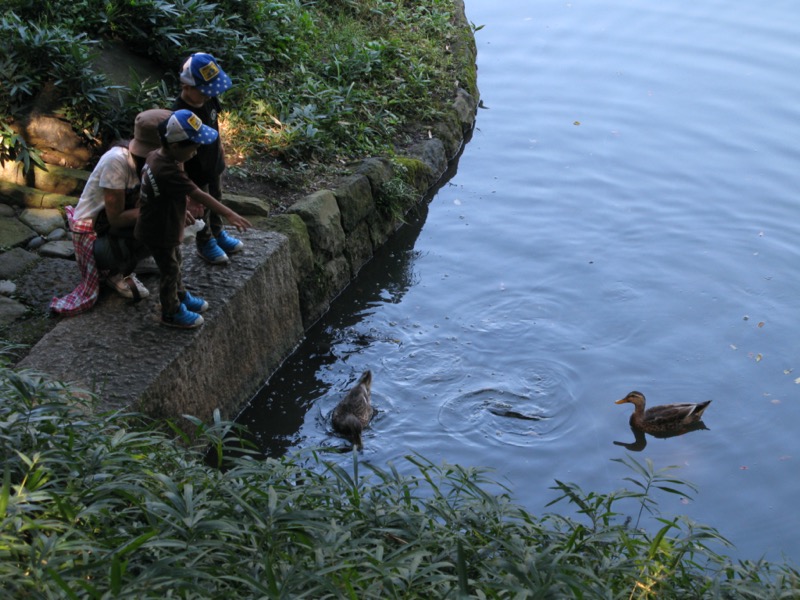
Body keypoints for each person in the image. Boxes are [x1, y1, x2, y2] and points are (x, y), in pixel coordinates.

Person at [135, 109, 252, 329]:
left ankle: (180, 295)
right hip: (159, 229)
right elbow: (199, 194)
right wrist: (229, 213)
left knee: (176, 262)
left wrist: (182, 209)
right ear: (176, 146)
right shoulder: (167, 170)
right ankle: (171, 311)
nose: (196, 152)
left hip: (164, 221)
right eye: (194, 147)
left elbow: (163, 194)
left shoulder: (155, 155)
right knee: (169, 271)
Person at [50, 109, 170, 316]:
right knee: (162, 222)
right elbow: (116, 219)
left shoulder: (155, 162)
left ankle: (134, 259)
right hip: (97, 236)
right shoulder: (116, 162)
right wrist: (159, 210)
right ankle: (115, 271)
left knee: (174, 221)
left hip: (121, 227)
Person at [173, 52, 242, 265]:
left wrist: (220, 149)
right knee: (201, 207)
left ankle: (218, 232)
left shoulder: (209, 99)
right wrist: (185, 183)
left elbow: (215, 124)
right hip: (195, 171)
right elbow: (178, 153)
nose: (207, 97)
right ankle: (205, 241)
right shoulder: (179, 114)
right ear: (187, 87)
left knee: (217, 198)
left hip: (213, 162)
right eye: (203, 93)